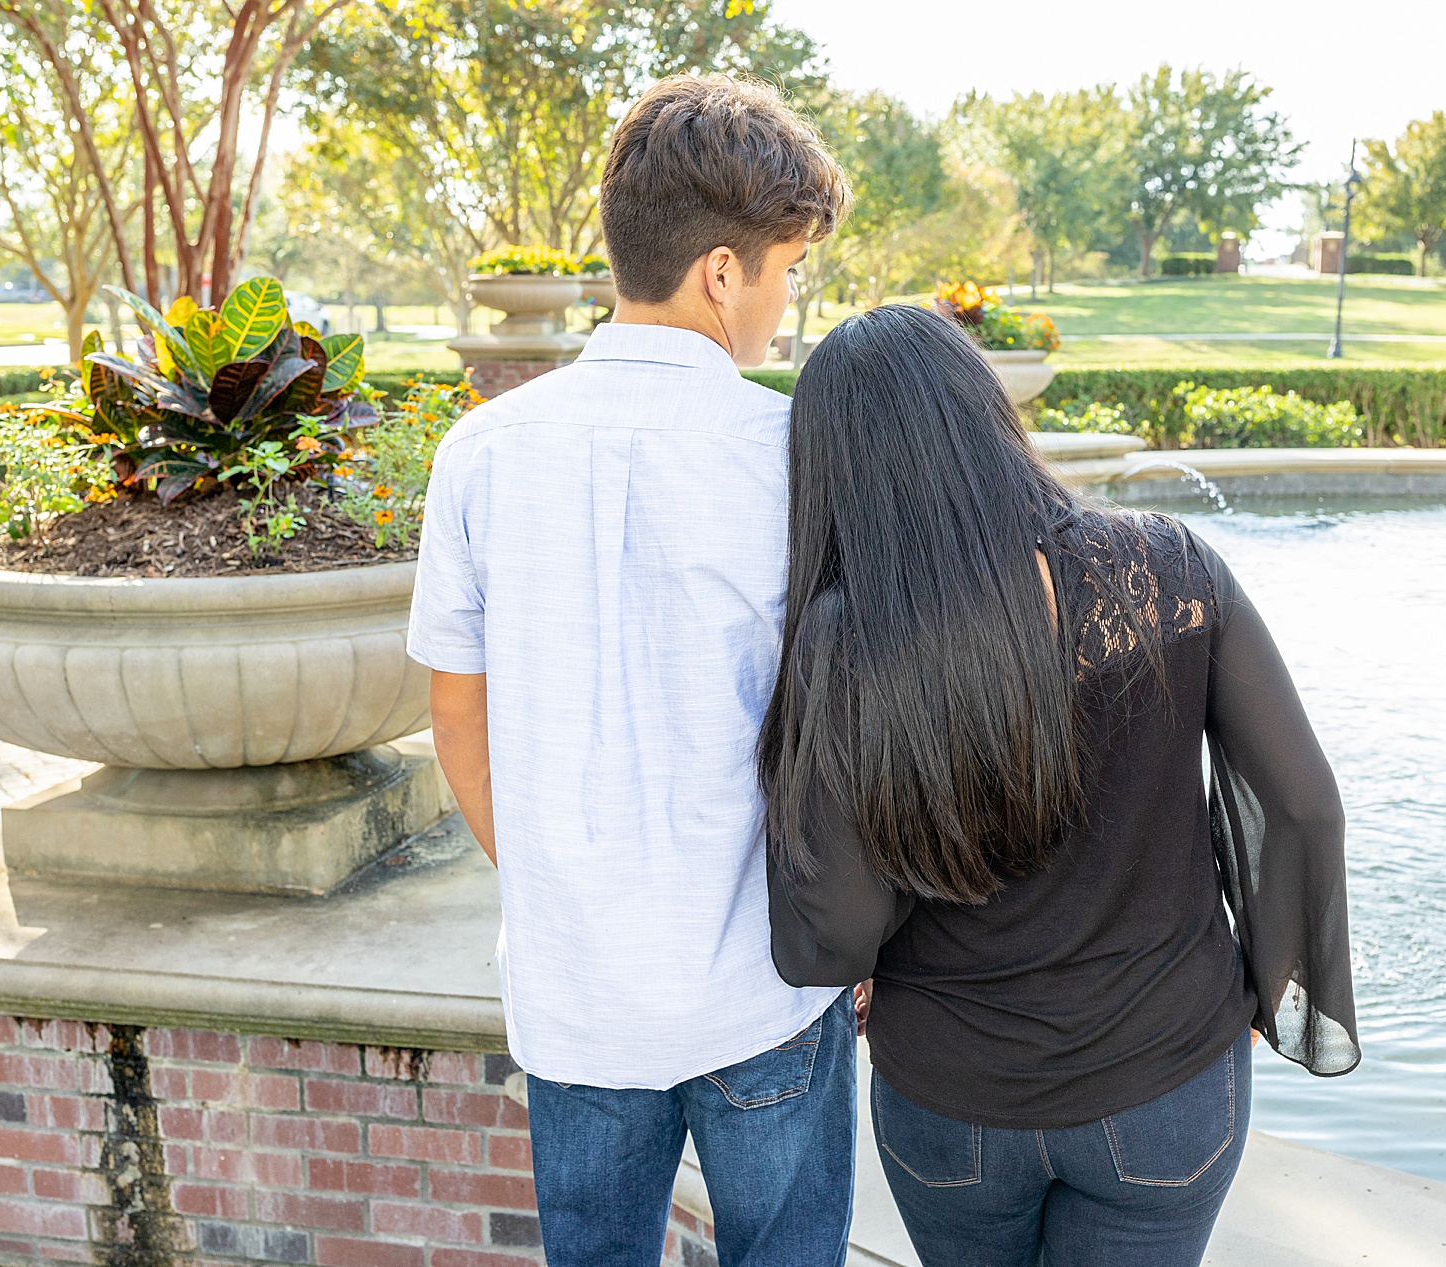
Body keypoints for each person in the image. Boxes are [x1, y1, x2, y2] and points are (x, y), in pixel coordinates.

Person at [761, 304, 1360, 1267]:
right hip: (1167, 1075)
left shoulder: (850, 634)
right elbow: (1301, 802)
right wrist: (1268, 985)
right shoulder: (1171, 569)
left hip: (954, 1102)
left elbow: (834, 929)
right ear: (987, 414)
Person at [409, 75, 856, 1267]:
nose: (782, 304)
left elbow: (456, 712)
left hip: (575, 999)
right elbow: (850, 725)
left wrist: (556, 874)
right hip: (768, 990)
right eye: (786, 270)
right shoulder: (791, 449)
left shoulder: (478, 452)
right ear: (722, 271)